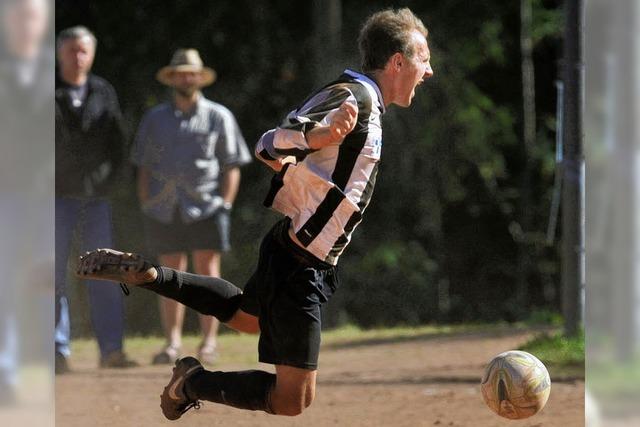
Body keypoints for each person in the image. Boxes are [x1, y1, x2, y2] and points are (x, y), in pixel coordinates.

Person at [77, 7, 433, 419]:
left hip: (295, 250)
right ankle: (190, 382)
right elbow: (268, 145)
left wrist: (320, 139)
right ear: (398, 62)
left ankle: (153, 275)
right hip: (302, 261)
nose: (429, 71)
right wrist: (319, 135)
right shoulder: (356, 96)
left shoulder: (362, 98)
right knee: (291, 399)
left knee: (247, 318)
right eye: (424, 59)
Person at [131, 48, 251, 365]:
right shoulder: (155, 118)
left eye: (191, 72)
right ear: (172, 78)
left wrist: (225, 204)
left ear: (200, 77)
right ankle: (172, 342)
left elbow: (232, 165)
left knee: (208, 274)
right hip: (164, 207)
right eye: (180, 72)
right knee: (167, 275)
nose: (186, 77)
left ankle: (209, 342)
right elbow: (142, 165)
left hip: (208, 205)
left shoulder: (218, 116)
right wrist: (146, 201)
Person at [55, 25, 137, 371]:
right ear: (59, 54)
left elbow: (118, 142)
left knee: (104, 270)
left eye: (83, 50)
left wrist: (107, 180)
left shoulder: (104, 91)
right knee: (52, 274)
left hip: (95, 199)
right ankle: (57, 350)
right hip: (53, 198)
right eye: (71, 50)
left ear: (92, 54)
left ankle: (112, 350)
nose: (77, 56)